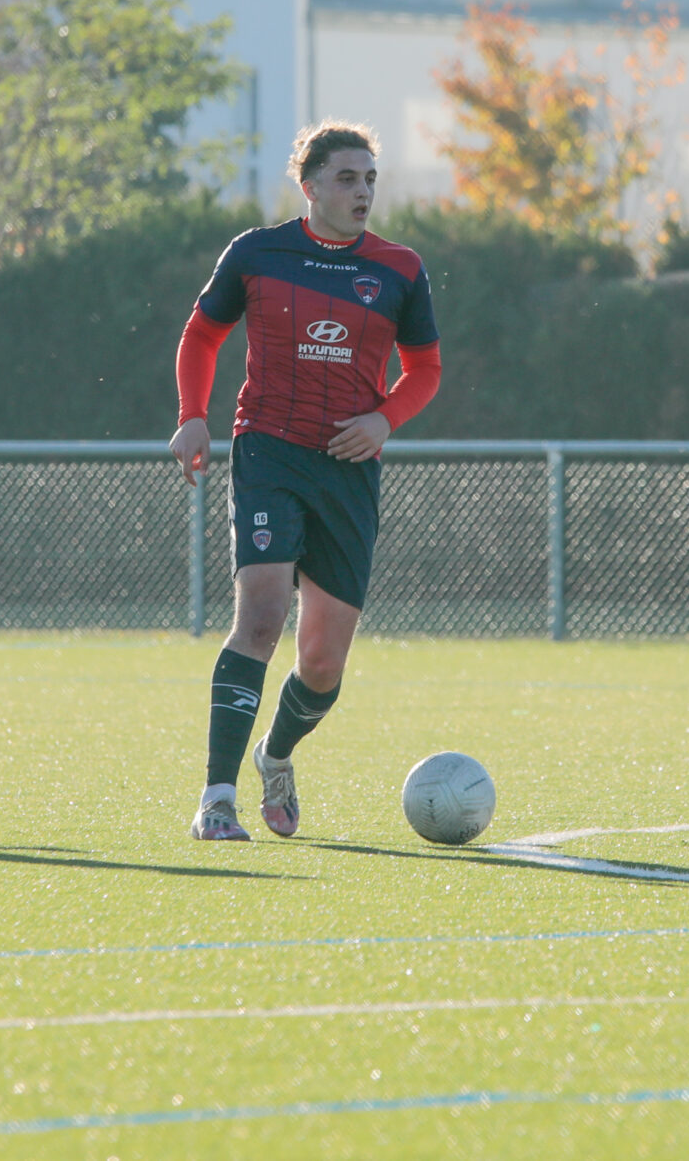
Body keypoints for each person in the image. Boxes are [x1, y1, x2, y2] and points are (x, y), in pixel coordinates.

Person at [167, 122, 443, 842]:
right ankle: (216, 800)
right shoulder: (257, 253)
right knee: (260, 619)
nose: (362, 192)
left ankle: (275, 754)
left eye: (370, 179)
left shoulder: (399, 269)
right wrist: (193, 416)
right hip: (268, 451)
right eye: (347, 178)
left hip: (348, 471)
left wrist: (384, 421)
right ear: (310, 184)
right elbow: (201, 336)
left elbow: (426, 370)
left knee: (321, 663)